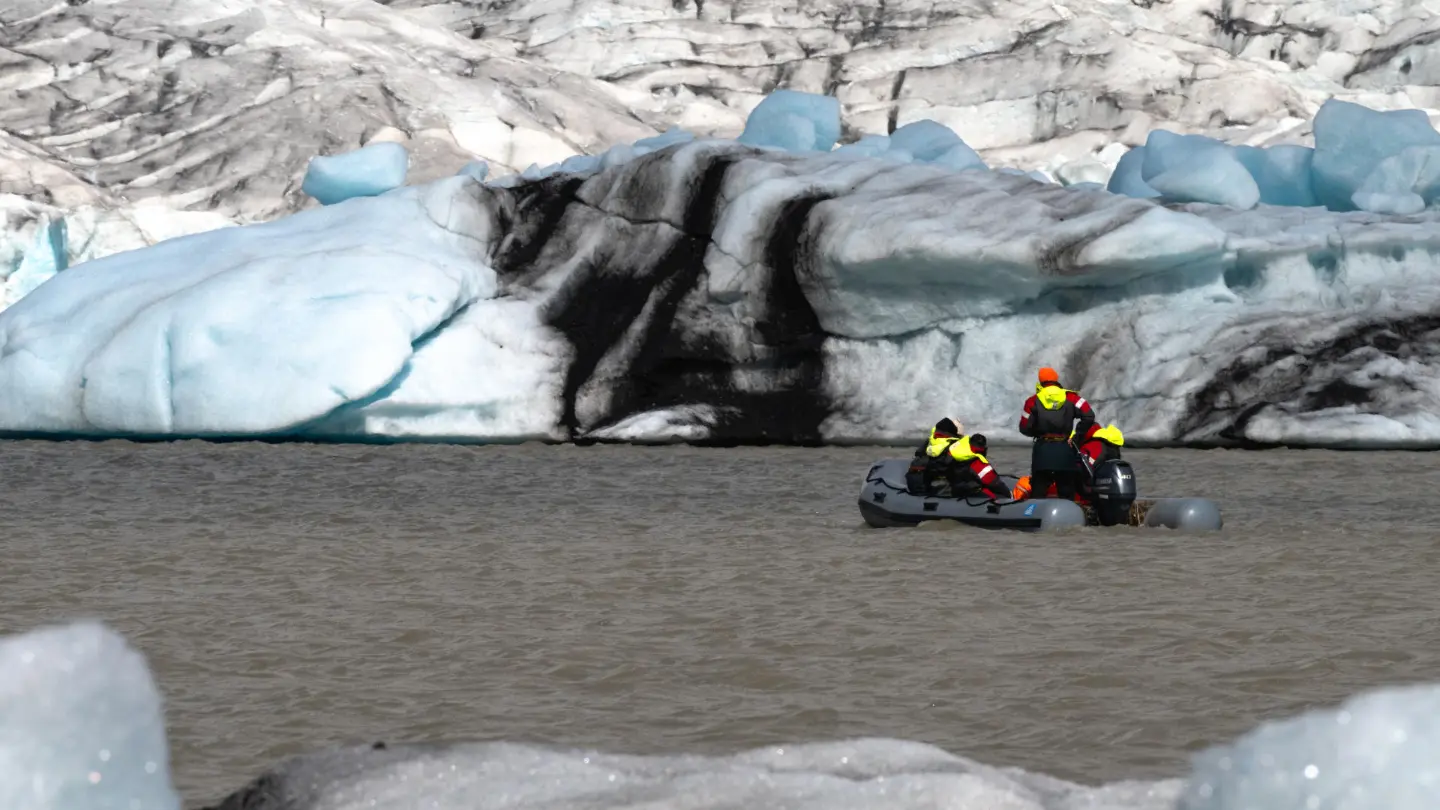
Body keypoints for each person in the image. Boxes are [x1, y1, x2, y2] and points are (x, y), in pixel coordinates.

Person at [1018, 367, 1096, 500]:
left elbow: (1024, 427)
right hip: (1065, 449)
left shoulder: (1032, 401)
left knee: (1039, 489)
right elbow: (1089, 416)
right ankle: (1069, 517)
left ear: (1041, 381)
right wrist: (1077, 437)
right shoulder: (1072, 397)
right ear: (1056, 379)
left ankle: (1036, 516)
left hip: (1042, 450)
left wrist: (1037, 432)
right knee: (1066, 489)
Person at [905, 421, 1011, 500]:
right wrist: (1009, 496)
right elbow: (991, 480)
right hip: (959, 493)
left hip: (934, 492)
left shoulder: (930, 449)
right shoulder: (965, 453)